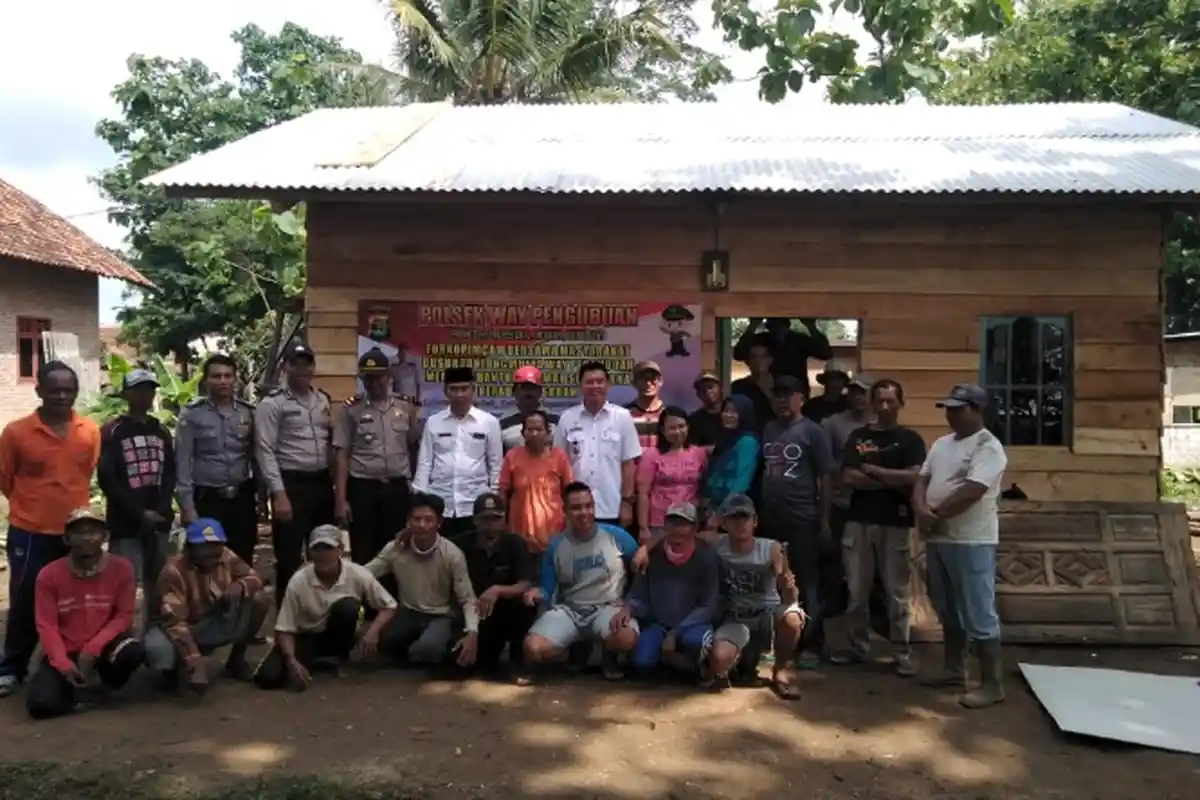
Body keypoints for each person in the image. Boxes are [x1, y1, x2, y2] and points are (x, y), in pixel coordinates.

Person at [0, 360, 101, 699]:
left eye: (68, 390)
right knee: (26, 598)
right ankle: (12, 668)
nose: (61, 395)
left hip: (78, 533)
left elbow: (85, 472)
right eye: (54, 389)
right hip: (31, 531)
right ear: (39, 390)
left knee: (79, 598)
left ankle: (68, 662)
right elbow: (5, 478)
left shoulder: (89, 430)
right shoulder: (16, 433)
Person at [913, 384, 1008, 709]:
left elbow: (973, 490)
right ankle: (954, 669)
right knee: (946, 606)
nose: (950, 414)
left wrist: (934, 514)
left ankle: (992, 683)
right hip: (939, 537)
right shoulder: (941, 444)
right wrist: (921, 510)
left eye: (958, 408)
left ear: (977, 409)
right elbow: (921, 480)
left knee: (978, 610)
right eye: (948, 408)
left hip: (971, 539)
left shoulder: (988, 447)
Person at [830, 379, 926, 676]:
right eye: (880, 401)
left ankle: (901, 653)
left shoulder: (910, 440)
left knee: (897, 592)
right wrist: (891, 479)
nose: (885, 406)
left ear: (900, 403)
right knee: (857, 591)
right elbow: (849, 477)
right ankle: (857, 647)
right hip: (858, 521)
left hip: (896, 522)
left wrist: (872, 470)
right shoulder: (859, 437)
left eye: (891, 401)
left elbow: (914, 479)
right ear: (872, 403)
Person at [26, 507, 143, 719]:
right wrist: (62, 663)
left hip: (105, 645)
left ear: (105, 537)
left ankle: (106, 684)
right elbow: (46, 624)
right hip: (65, 648)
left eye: (93, 531)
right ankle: (76, 690)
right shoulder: (48, 575)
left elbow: (124, 615)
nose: (86, 538)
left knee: (132, 651)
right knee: (41, 706)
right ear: (67, 539)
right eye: (78, 532)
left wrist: (93, 648)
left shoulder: (122, 568)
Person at [254, 525, 398, 691]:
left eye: (328, 548)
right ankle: (315, 661)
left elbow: (389, 605)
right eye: (317, 549)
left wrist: (373, 631)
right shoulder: (299, 580)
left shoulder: (357, 573)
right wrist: (290, 659)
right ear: (310, 552)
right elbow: (284, 627)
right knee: (268, 678)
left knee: (349, 607)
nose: (322, 555)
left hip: (340, 630)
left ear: (340, 549)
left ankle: (339, 656)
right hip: (306, 636)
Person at [523, 482, 640, 681]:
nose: (584, 512)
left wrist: (630, 602)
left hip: (608, 607)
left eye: (588, 506)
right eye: (576, 508)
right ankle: (576, 648)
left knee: (626, 639)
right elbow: (548, 587)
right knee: (534, 649)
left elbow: (641, 568)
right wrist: (536, 592)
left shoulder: (616, 536)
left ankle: (608, 655)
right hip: (570, 610)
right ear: (565, 511)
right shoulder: (556, 545)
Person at [143, 517, 272, 695]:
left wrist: (240, 585)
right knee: (159, 649)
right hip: (178, 626)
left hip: (210, 616)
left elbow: (254, 577)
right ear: (190, 548)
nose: (213, 552)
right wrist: (194, 661)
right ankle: (171, 671)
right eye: (205, 547)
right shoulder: (173, 572)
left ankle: (236, 660)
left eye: (216, 546)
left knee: (260, 599)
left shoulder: (225, 555)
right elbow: (174, 623)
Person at [759, 374, 834, 670]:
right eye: (777, 394)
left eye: (788, 394)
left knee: (806, 583)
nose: (782, 399)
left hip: (803, 517)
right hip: (771, 518)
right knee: (774, 582)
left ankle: (812, 644)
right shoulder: (769, 429)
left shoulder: (814, 432)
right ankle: (780, 642)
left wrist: (825, 521)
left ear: (801, 398)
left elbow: (826, 477)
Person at [255, 343, 335, 607]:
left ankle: (321, 612)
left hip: (321, 485)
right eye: (296, 363)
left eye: (308, 363)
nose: (303, 369)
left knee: (324, 552)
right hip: (291, 486)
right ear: (285, 367)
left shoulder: (322, 399)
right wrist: (278, 494)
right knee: (289, 557)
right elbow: (265, 450)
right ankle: (287, 621)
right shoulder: (273, 404)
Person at [703, 494, 806, 699]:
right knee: (719, 660)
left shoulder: (772, 549)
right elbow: (679, 534)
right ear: (724, 523)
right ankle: (740, 662)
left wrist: (789, 587)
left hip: (768, 612)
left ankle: (780, 670)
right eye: (734, 519)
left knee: (793, 619)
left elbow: (790, 594)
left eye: (745, 518)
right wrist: (645, 548)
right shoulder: (716, 543)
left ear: (755, 521)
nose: (740, 524)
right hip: (736, 615)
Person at [97, 368, 175, 631]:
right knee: (124, 583)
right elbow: (108, 478)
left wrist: (160, 510)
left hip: (160, 521)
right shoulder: (112, 431)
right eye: (139, 390)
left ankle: (156, 637)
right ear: (126, 394)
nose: (146, 395)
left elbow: (170, 473)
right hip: (125, 523)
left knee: (160, 583)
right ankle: (120, 639)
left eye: (150, 389)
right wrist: (140, 513)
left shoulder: (160, 430)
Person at [366, 494, 479, 667]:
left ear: (439, 523)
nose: (422, 525)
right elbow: (366, 573)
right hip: (408, 613)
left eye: (428, 520)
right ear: (408, 522)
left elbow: (467, 598)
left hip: (441, 615)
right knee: (381, 642)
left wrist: (472, 633)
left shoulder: (452, 555)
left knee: (428, 649)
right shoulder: (395, 548)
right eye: (416, 519)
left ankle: (425, 649)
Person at [335, 347, 421, 573]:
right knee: (364, 553)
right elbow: (342, 455)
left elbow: (414, 447)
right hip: (363, 489)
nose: (373, 383)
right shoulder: (350, 410)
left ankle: (394, 605)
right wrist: (341, 500)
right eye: (367, 378)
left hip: (397, 489)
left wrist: (413, 485)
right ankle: (368, 606)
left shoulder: (406, 407)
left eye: (378, 377)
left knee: (399, 551)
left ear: (389, 377)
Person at [175, 354, 258, 565]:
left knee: (242, 558)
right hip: (208, 500)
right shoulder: (192, 415)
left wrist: (262, 494)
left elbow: (255, 455)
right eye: (216, 376)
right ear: (206, 380)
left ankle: (240, 597)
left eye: (227, 376)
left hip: (242, 499)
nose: (223, 381)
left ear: (235, 379)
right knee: (207, 560)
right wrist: (187, 507)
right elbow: (183, 462)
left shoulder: (248, 413)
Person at [449, 492, 537, 683]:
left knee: (526, 603)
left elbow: (525, 583)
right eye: (485, 519)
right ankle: (486, 659)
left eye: (496, 519)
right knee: (457, 665)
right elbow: (434, 546)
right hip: (472, 613)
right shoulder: (459, 545)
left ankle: (517, 661)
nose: (491, 524)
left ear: (504, 519)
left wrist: (497, 590)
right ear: (475, 520)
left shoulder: (515, 544)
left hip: (505, 611)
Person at [626, 503, 719, 680]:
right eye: (673, 523)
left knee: (695, 646)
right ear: (665, 526)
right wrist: (628, 607)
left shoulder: (706, 558)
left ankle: (695, 666)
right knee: (640, 666)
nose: (678, 530)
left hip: (693, 624)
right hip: (659, 623)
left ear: (694, 528)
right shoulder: (651, 555)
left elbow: (708, 605)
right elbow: (639, 592)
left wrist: (676, 632)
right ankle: (666, 660)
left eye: (684, 524)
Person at [414, 366, 503, 538]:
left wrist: (492, 499)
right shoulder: (433, 422)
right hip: (440, 504)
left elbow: (495, 464)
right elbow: (424, 463)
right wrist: (421, 501)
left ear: (473, 390)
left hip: (475, 504)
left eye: (464, 388)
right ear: (446, 392)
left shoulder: (489, 422)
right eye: (454, 389)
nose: (460, 394)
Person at [554, 361, 641, 527]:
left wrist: (627, 504)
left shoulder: (622, 417)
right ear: (580, 386)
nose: (595, 386)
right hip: (575, 509)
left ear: (608, 385)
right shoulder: (567, 418)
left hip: (611, 506)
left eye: (600, 381)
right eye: (589, 382)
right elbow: (559, 464)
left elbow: (628, 464)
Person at [498, 410, 574, 554]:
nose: (534, 434)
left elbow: (569, 493)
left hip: (554, 532)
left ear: (548, 432)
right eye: (530, 429)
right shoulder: (512, 456)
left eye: (539, 429)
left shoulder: (559, 457)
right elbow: (503, 492)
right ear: (522, 432)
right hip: (519, 531)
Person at [635, 406, 707, 542]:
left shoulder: (699, 453)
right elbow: (643, 493)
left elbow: (704, 488)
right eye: (672, 428)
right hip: (660, 523)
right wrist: (643, 528)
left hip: (690, 522)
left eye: (681, 426)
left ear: (688, 426)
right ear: (662, 430)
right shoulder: (652, 455)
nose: (678, 431)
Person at [732, 318, 833, 392]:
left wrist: (811, 326)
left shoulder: (799, 340)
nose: (778, 330)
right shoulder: (761, 340)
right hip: (765, 392)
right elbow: (739, 354)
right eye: (774, 326)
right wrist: (752, 326)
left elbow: (826, 353)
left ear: (787, 326)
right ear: (769, 327)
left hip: (795, 392)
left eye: (781, 326)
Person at [703, 395, 759, 511]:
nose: (728, 415)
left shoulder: (747, 442)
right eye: (726, 411)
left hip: (734, 509)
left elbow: (742, 481)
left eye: (734, 412)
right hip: (715, 504)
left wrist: (721, 512)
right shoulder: (724, 439)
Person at [499, 366, 559, 453]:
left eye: (532, 388)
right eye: (523, 388)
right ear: (514, 392)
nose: (528, 392)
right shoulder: (502, 423)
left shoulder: (555, 421)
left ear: (540, 391)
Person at [730, 335, 776, 436]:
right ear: (747, 362)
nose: (758, 361)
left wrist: (766, 389)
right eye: (753, 357)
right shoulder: (738, 386)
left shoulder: (781, 384)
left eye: (763, 356)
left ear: (770, 360)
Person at [626, 360, 666, 452]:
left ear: (661, 381)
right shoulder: (624, 414)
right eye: (643, 379)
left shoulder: (669, 414)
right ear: (634, 383)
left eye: (653, 379)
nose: (648, 383)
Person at [686, 371, 725, 449]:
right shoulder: (693, 420)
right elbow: (693, 450)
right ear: (698, 394)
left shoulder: (732, 414)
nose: (707, 392)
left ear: (720, 388)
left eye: (711, 387)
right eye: (702, 389)